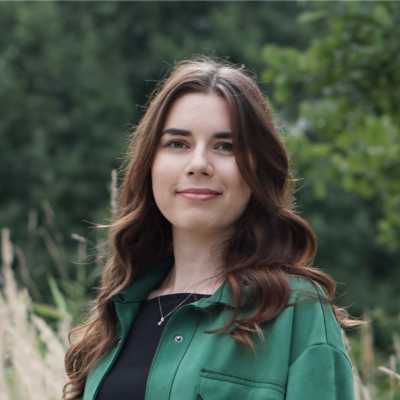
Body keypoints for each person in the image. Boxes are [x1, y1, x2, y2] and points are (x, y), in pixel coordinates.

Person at [63, 56, 359, 400]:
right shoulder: (118, 312)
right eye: (178, 143)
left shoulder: (296, 311)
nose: (199, 164)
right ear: (150, 163)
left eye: (226, 146)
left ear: (258, 169)